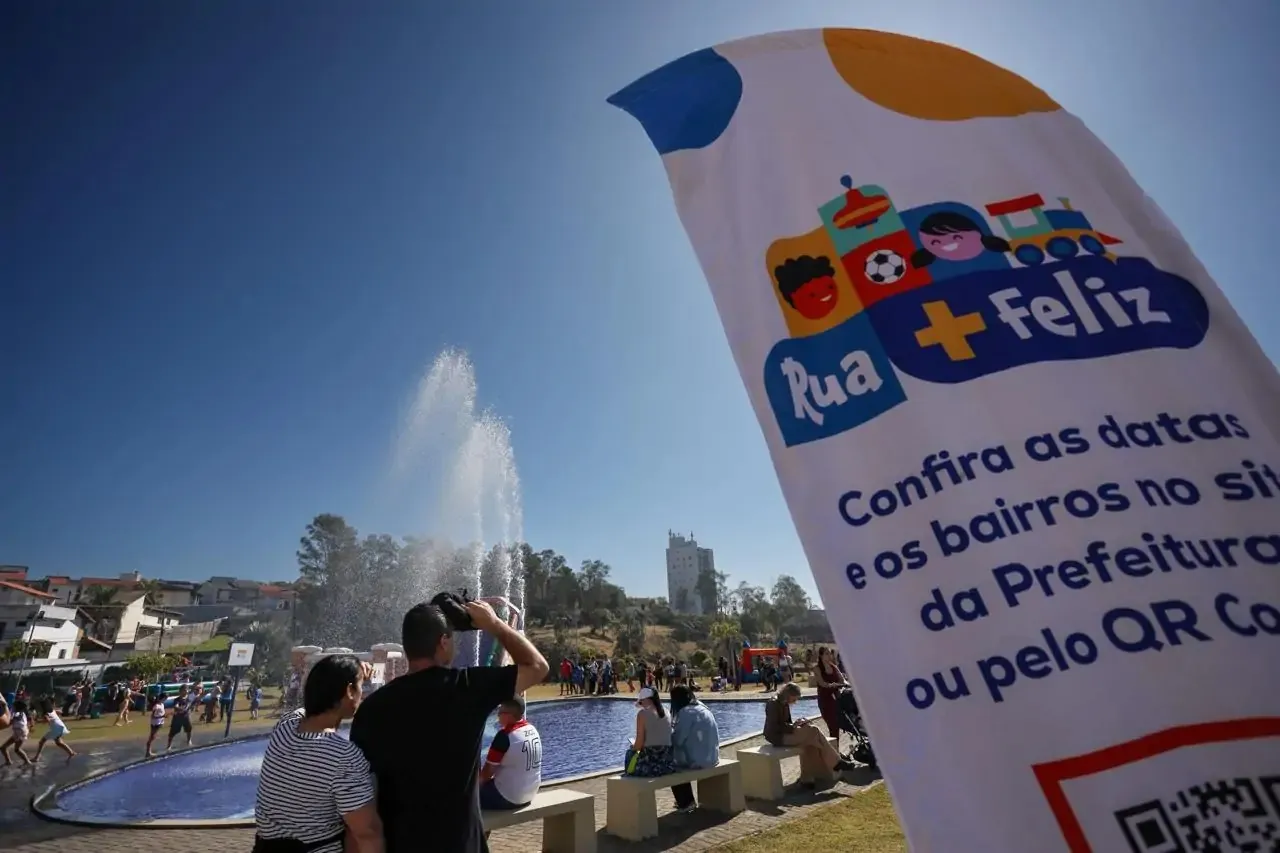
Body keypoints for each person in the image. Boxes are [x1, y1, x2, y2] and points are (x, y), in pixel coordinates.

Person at [350, 599, 549, 853]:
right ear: (443, 642)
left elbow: (362, 791)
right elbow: (537, 667)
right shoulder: (468, 688)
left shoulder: (372, 708)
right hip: (461, 844)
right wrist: (495, 624)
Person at [254, 655, 382, 853]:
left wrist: (353, 673)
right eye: (359, 687)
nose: (361, 694)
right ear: (349, 691)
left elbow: (311, 709)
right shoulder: (343, 757)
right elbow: (367, 833)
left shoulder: (285, 726)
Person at [764, 683, 849, 788]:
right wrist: (794, 726)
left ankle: (807, 779)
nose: (795, 702)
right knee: (813, 730)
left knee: (811, 739)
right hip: (776, 737)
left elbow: (787, 723)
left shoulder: (784, 703)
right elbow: (774, 727)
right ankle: (836, 762)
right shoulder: (773, 704)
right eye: (794, 699)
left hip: (785, 733)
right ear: (788, 694)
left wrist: (798, 723)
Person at [479, 697, 542, 810]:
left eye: (500, 712)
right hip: (530, 793)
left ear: (508, 715)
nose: (498, 716)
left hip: (509, 798)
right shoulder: (533, 729)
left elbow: (487, 774)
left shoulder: (505, 736)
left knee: (467, 796)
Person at [668, 685, 720, 812]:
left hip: (700, 761)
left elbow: (677, 740)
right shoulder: (702, 707)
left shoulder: (685, 713)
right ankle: (687, 801)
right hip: (713, 756)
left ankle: (685, 802)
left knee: (670, 766)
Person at [623, 687, 675, 777]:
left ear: (645, 700)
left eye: (641, 702)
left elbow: (639, 744)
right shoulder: (667, 711)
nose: (641, 705)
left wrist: (633, 747)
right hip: (667, 764)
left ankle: (628, 777)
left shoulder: (642, 714)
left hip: (651, 765)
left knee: (630, 753)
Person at [814, 647, 849, 740]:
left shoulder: (834, 667)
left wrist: (846, 684)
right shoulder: (817, 668)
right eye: (826, 654)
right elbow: (822, 683)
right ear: (821, 655)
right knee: (832, 724)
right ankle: (833, 750)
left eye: (830, 654)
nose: (829, 656)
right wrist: (833, 685)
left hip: (836, 699)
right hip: (825, 700)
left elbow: (842, 680)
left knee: (836, 725)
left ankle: (835, 749)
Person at [33, 699, 76, 763]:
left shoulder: (46, 713)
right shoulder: (52, 710)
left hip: (55, 729)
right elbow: (60, 712)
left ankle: (37, 757)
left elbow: (47, 720)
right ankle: (71, 752)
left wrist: (39, 721)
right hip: (62, 727)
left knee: (42, 742)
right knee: (58, 742)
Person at [1, 697, 33, 765]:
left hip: (21, 732)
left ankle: (28, 762)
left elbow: (9, 722)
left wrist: (4, 707)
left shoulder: (17, 714)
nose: (12, 707)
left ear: (16, 707)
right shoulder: (21, 713)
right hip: (19, 732)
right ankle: (8, 761)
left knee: (17, 749)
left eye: (13, 706)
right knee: (3, 748)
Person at [166, 684, 195, 751]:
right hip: (177, 718)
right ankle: (169, 745)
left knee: (189, 728)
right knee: (172, 732)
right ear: (180, 691)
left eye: (187, 690)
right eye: (184, 690)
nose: (186, 691)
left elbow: (190, 706)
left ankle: (189, 740)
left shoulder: (188, 699)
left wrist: (189, 708)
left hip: (186, 716)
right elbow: (176, 706)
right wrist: (181, 709)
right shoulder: (177, 699)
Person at [145, 693, 167, 757]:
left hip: (159, 722)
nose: (165, 700)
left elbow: (160, 713)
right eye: (165, 699)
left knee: (153, 736)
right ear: (162, 698)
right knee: (152, 737)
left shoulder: (162, 704)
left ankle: (149, 750)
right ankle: (148, 752)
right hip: (155, 723)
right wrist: (163, 716)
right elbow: (153, 716)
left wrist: (163, 717)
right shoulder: (156, 706)